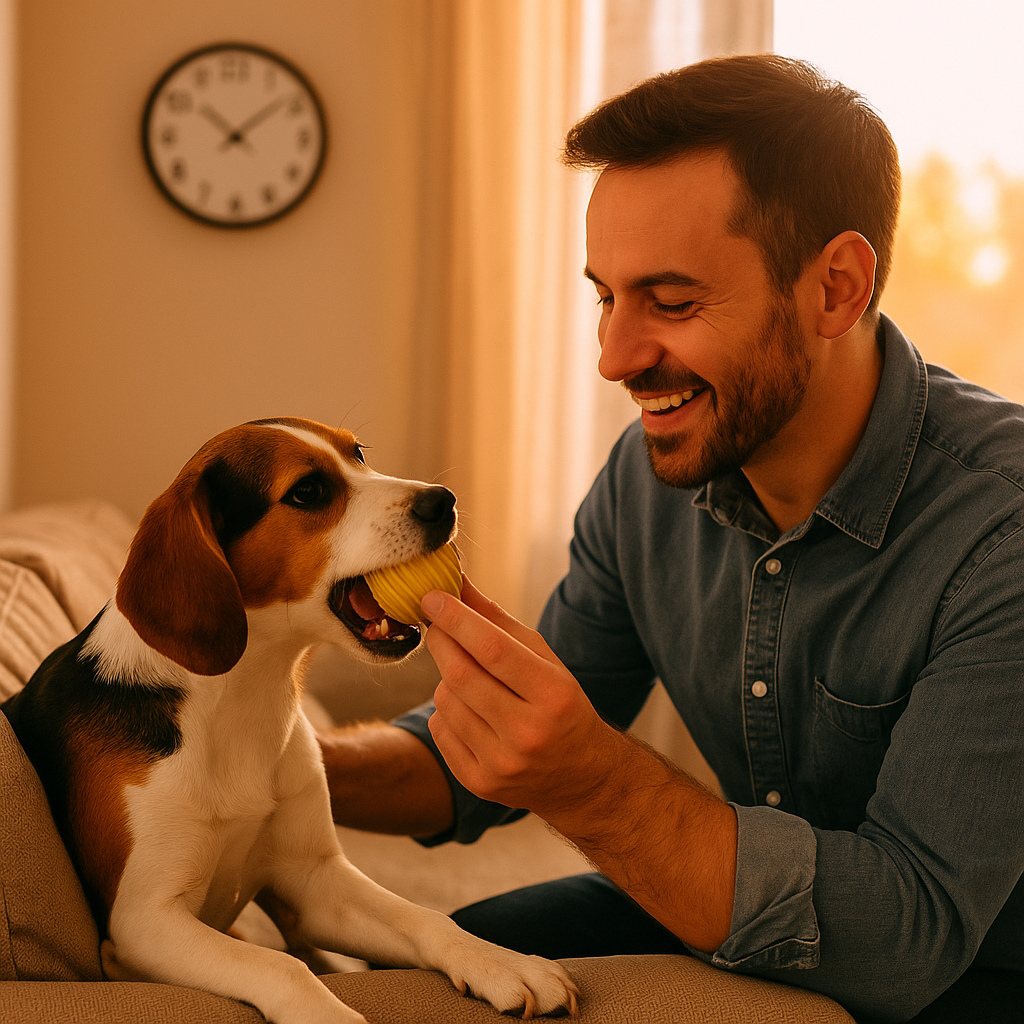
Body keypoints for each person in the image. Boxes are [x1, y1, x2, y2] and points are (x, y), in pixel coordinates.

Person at [319, 54, 1024, 1023]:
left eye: (672, 301)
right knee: (414, 984)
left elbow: (908, 941)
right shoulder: (647, 483)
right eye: (604, 296)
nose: (613, 357)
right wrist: (278, 763)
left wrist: (593, 783)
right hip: (729, 928)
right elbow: (474, 764)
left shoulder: (1004, 529)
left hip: (972, 976)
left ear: (836, 288)